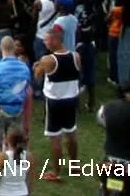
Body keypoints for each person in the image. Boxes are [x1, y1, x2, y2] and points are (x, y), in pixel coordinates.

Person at [30, 25, 79, 174]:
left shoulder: (48, 59)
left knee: (55, 137)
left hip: (55, 101)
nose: (44, 42)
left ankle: (55, 171)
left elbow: (37, 76)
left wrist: (36, 66)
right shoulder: (75, 56)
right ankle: (74, 166)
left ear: (55, 40)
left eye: (46, 39)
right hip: (71, 98)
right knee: (71, 133)